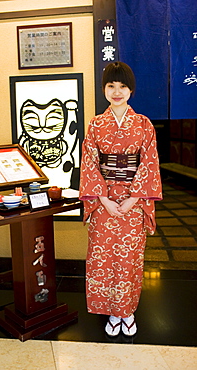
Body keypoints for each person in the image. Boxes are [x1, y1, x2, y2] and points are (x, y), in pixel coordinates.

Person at [79, 61, 162, 337]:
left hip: (133, 202)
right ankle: (111, 311)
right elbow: (90, 162)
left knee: (129, 258)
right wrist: (102, 199)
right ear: (104, 89)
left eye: (122, 86)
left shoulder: (143, 124)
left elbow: (149, 163)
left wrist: (133, 198)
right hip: (103, 202)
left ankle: (126, 311)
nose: (117, 91)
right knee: (102, 258)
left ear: (131, 90)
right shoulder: (95, 125)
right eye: (111, 86)